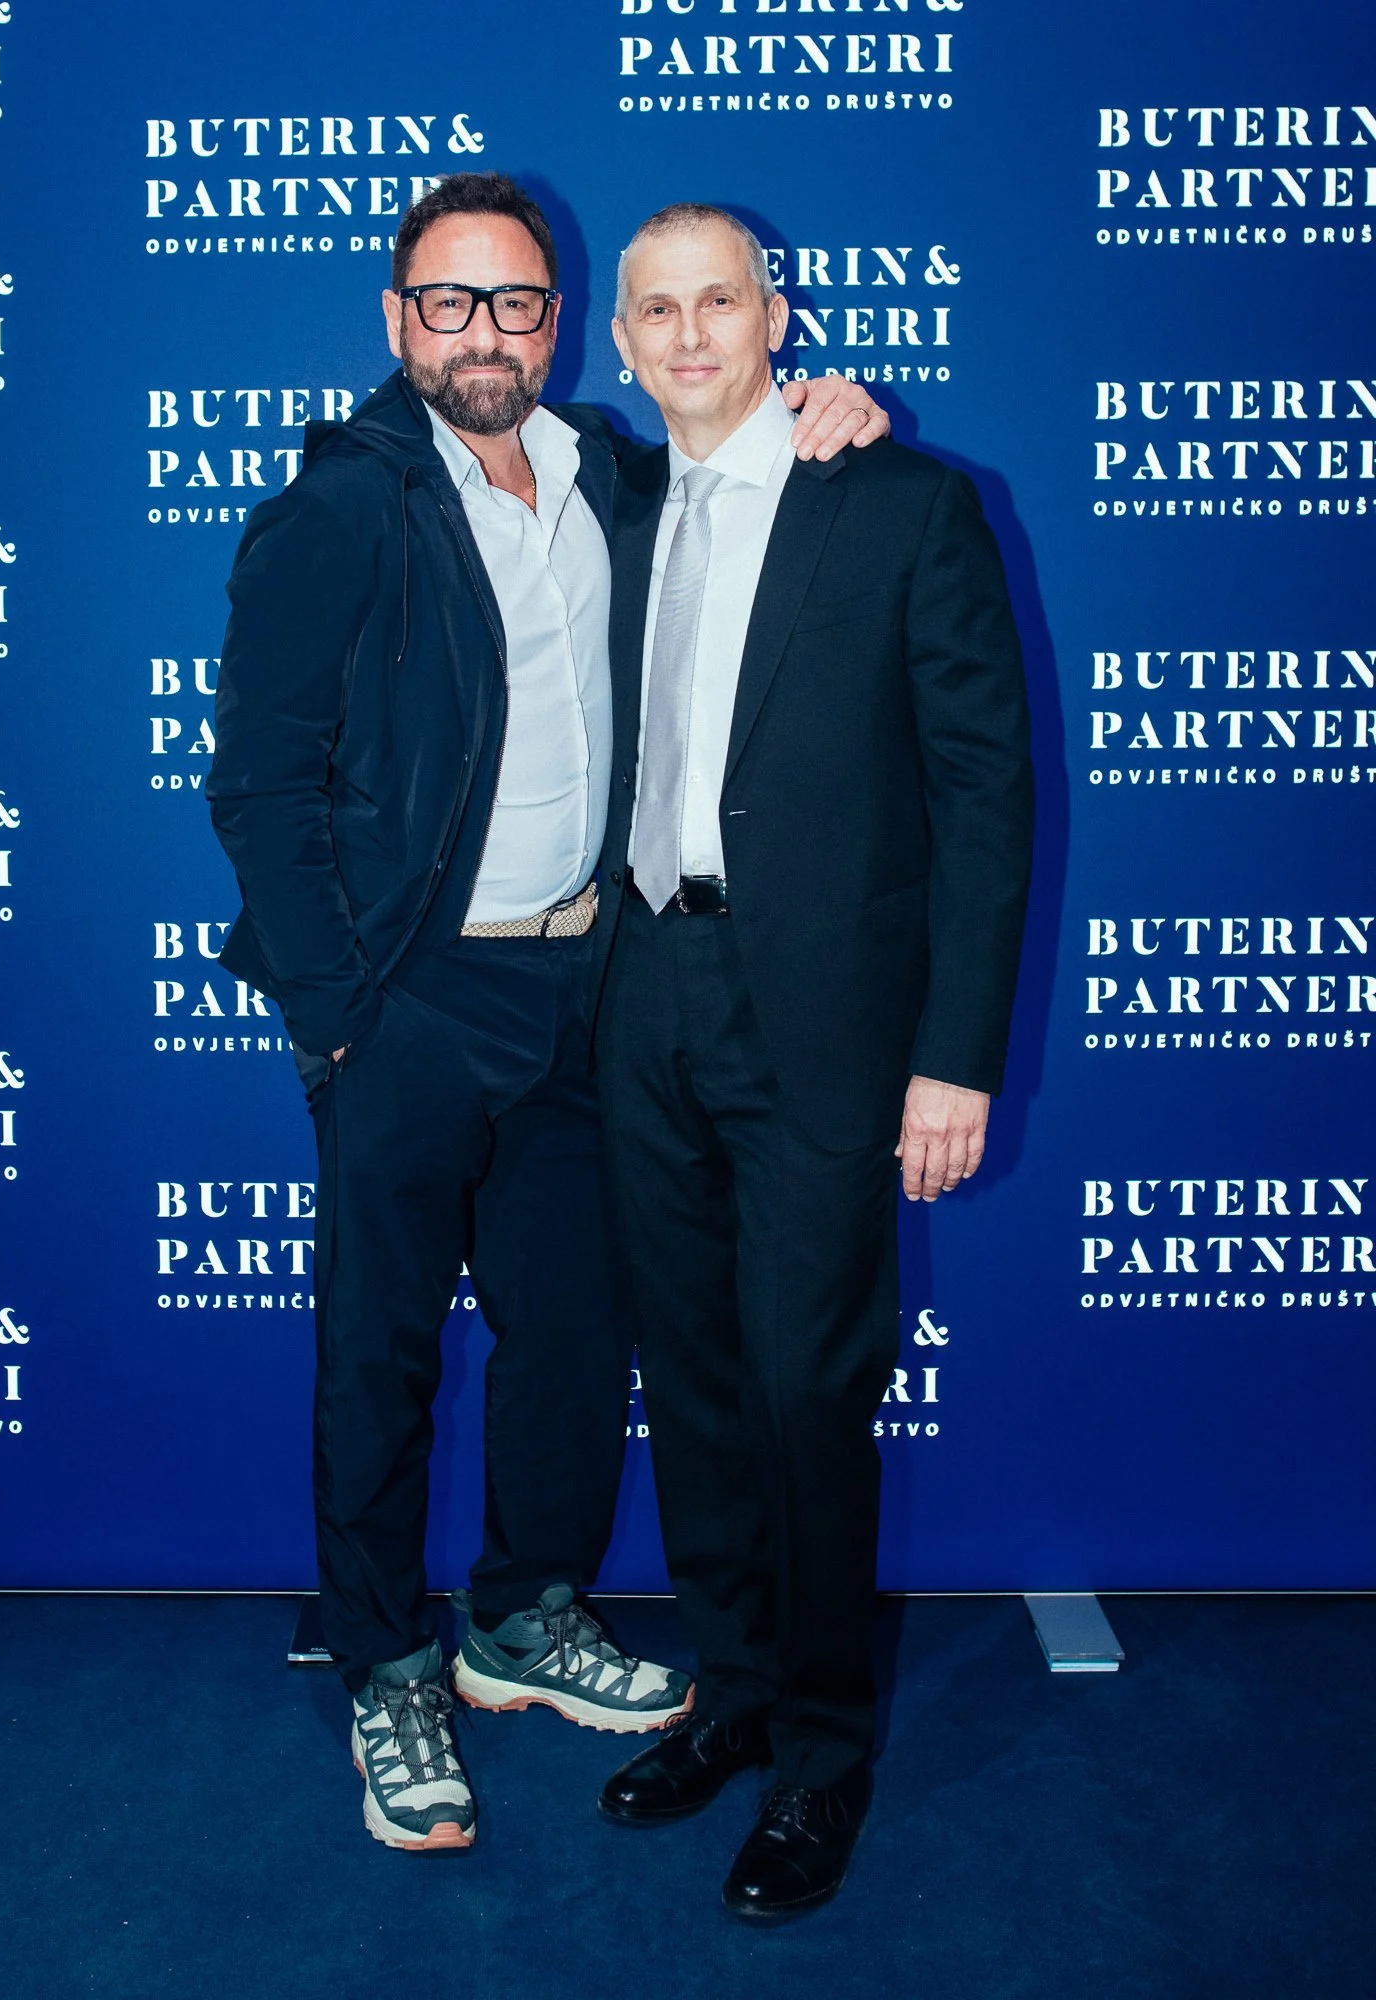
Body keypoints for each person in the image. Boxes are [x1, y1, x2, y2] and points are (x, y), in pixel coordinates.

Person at [205, 173, 888, 1853]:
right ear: (397, 320)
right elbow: (261, 779)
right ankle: (382, 1662)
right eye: (451, 302)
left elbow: (749, 484)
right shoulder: (345, 505)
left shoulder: (608, 467)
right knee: (380, 1348)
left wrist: (834, 407)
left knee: (575, 1339)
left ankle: (521, 1612)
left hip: (587, 981)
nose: (487, 333)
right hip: (411, 994)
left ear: (558, 321)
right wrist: (338, 1009)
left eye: (517, 303)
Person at [590, 204, 1034, 1921]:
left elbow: (987, 799)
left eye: (720, 303)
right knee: (693, 1387)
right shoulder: (607, 503)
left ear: (776, 318)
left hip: (833, 1029)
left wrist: (954, 1057)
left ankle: (825, 1756)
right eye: (657, 311)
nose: (690, 336)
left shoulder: (907, 502)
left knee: (802, 1393)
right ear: (614, 340)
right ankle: (736, 1695)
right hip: (641, 999)